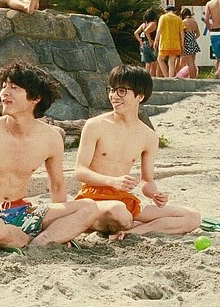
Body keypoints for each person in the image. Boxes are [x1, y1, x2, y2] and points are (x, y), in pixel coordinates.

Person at [0, 63, 130, 253]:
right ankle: (37, 240)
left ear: (35, 98)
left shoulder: (51, 138)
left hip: (23, 212)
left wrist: (63, 225)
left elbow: (57, 187)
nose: (5, 93)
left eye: (14, 87)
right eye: (4, 86)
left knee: (89, 207)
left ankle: (38, 243)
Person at [74, 65, 201, 239]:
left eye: (122, 91)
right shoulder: (95, 125)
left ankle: (131, 232)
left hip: (124, 200)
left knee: (192, 217)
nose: (114, 96)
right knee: (119, 212)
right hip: (93, 198)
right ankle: (126, 225)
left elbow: (147, 181)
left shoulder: (149, 136)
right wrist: (112, 181)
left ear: (140, 96)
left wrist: (155, 194)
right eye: (112, 90)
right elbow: (80, 171)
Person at [154, 5, 184, 78]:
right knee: (171, 62)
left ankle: (166, 76)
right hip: (175, 44)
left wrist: (156, 40)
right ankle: (170, 78)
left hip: (164, 43)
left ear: (166, 11)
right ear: (175, 11)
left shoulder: (163, 17)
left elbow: (159, 30)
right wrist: (182, 45)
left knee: (160, 59)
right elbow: (182, 33)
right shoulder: (178, 19)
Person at [134, 9, 159, 77]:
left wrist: (140, 41)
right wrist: (150, 40)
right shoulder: (153, 24)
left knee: (147, 63)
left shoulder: (143, 24)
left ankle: (146, 76)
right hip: (151, 44)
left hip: (144, 44)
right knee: (155, 62)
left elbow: (136, 33)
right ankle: (153, 76)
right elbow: (146, 31)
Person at [180, 8, 201, 79]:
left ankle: (192, 78)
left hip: (187, 43)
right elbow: (198, 34)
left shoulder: (184, 22)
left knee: (189, 63)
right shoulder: (194, 22)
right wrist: (192, 38)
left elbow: (182, 34)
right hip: (193, 42)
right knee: (193, 62)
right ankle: (194, 77)